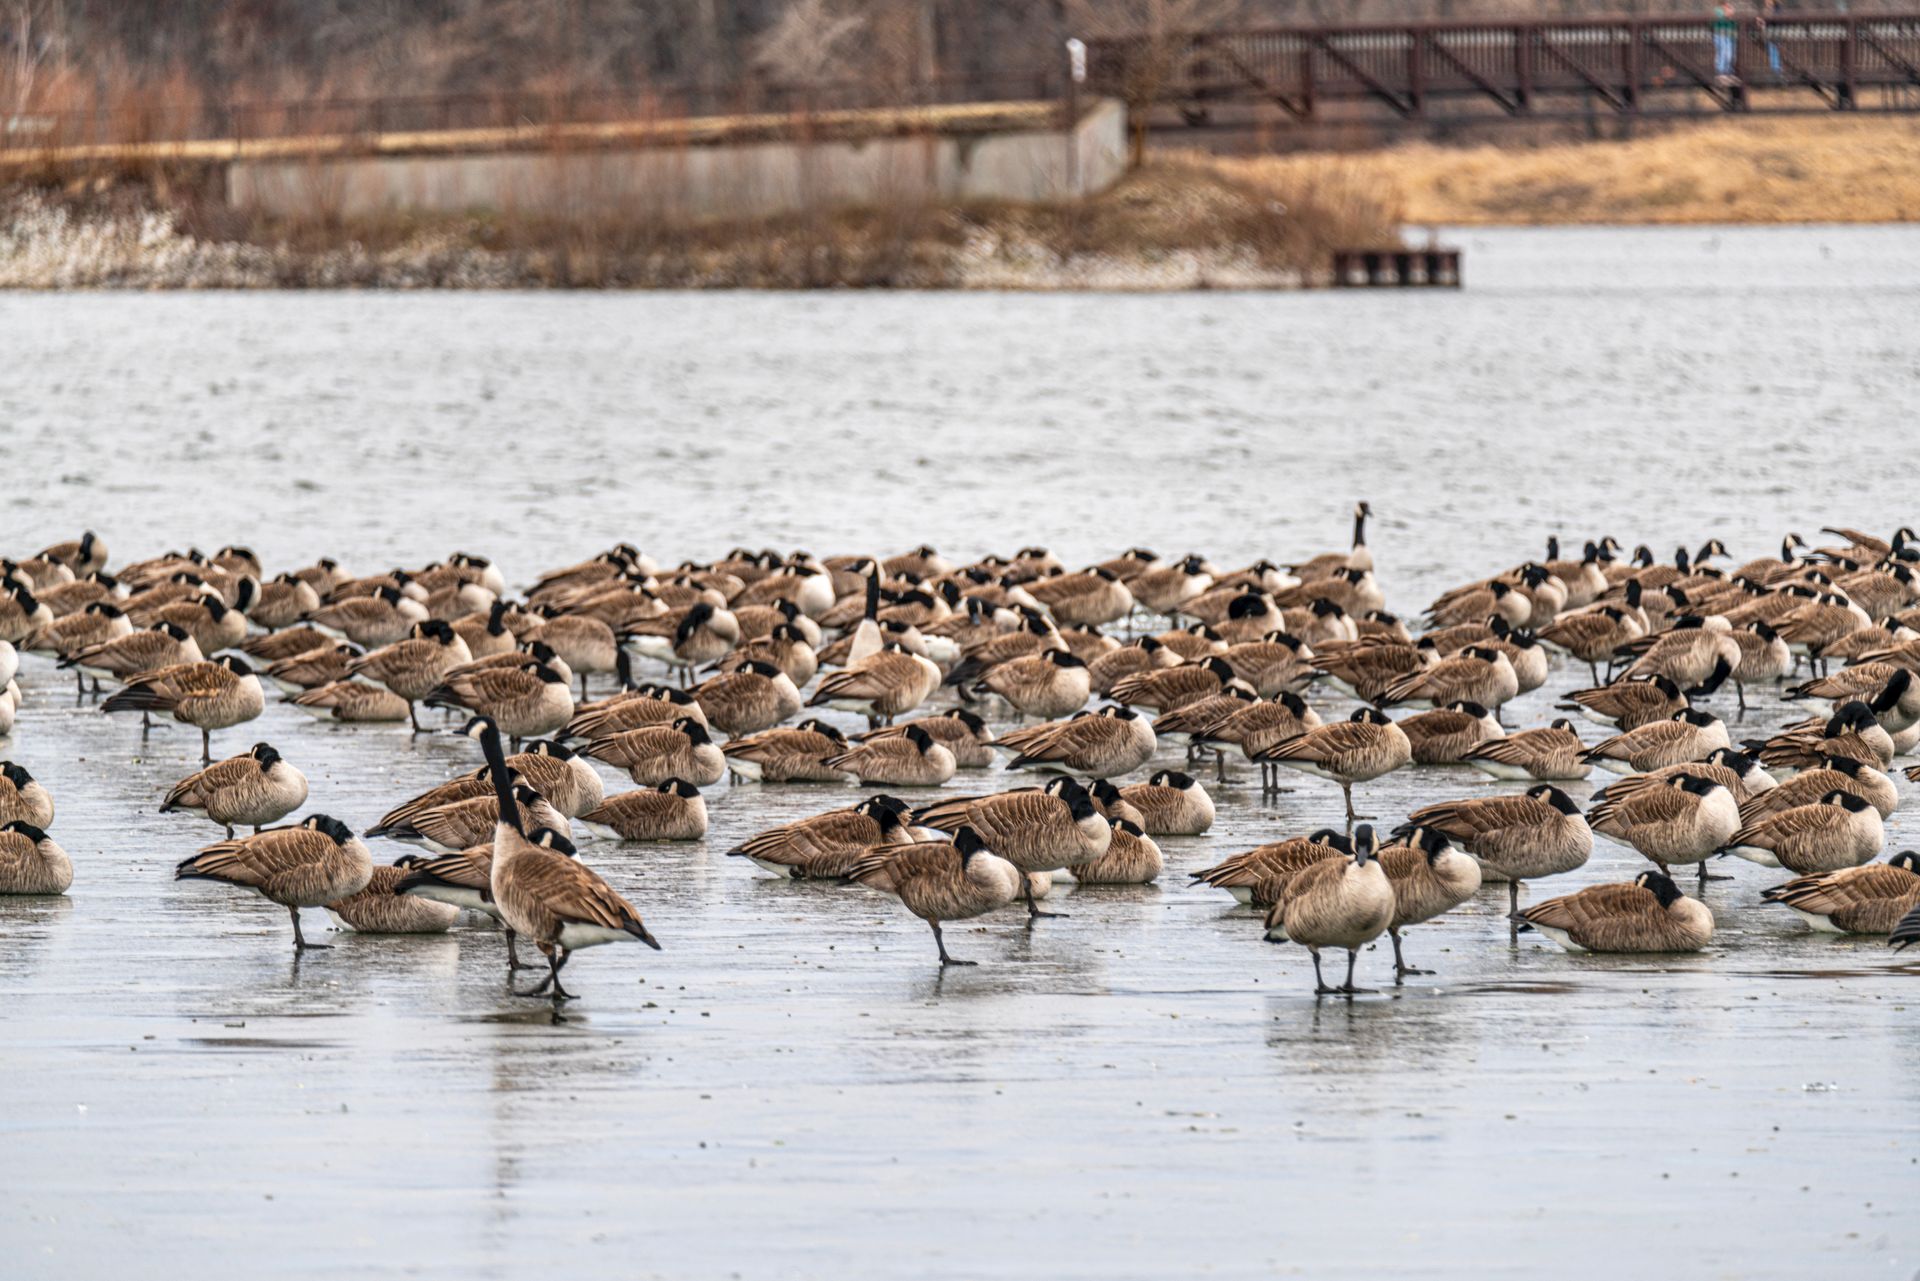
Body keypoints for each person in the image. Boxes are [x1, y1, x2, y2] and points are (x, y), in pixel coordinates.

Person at [1713, 1, 1740, 84]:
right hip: (1721, 35)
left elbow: (1735, 21)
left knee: (1732, 55)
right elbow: (1718, 19)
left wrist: (1732, 14)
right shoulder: (1717, 10)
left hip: (1731, 35)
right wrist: (1727, 13)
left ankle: (1729, 73)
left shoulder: (1731, 8)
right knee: (1724, 54)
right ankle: (1721, 73)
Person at [1758, 0, 1781, 81]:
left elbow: (1775, 19)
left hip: (1774, 32)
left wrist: (1767, 14)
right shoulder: (1766, 8)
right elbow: (1763, 19)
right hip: (1768, 32)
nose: (1766, 2)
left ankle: (1776, 70)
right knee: (1771, 51)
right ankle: (1775, 69)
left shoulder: (1777, 8)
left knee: (1773, 50)